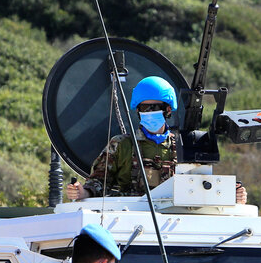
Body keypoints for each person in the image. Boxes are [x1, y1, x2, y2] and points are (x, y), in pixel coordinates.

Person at [66, 76, 247, 204]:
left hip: (174, 221)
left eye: (155, 107)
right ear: (137, 111)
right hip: (127, 218)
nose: (149, 112)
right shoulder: (121, 145)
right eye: (144, 108)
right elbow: (98, 182)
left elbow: (200, 187)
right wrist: (82, 191)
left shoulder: (186, 145)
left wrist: (233, 195)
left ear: (168, 110)